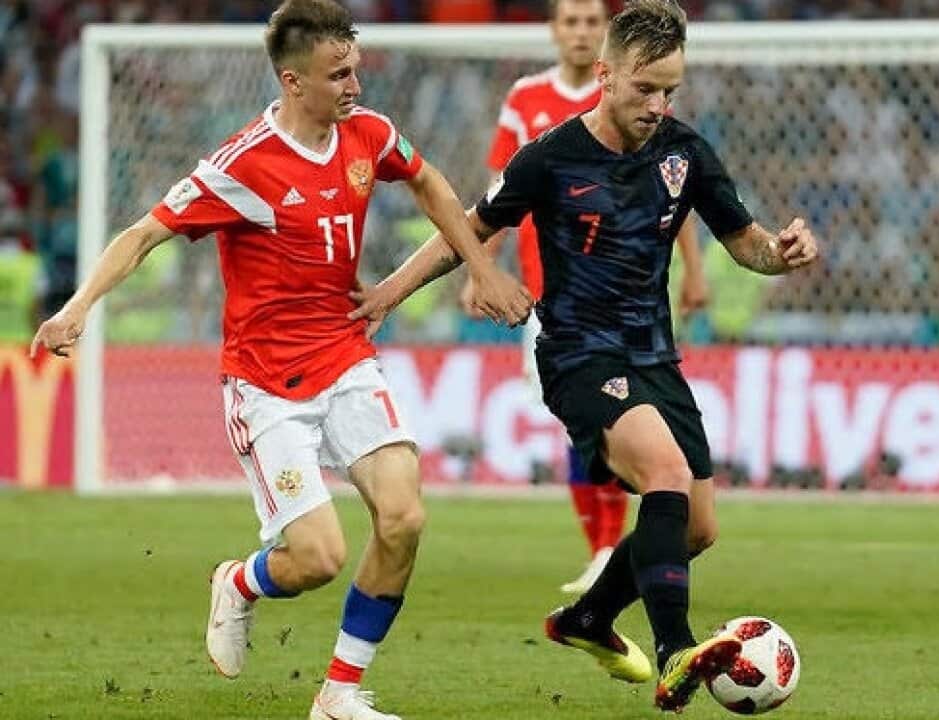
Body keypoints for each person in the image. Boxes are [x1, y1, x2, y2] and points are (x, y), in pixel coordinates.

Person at [29, 2, 531, 718]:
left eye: (356, 68)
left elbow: (431, 184)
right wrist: (76, 308)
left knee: (404, 518)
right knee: (317, 560)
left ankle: (339, 695)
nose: (355, 85)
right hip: (268, 387)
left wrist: (479, 267)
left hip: (346, 355)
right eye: (338, 74)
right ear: (293, 81)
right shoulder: (242, 165)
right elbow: (143, 234)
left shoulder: (370, 134)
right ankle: (240, 582)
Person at [351, 1, 817, 710]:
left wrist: (781, 257)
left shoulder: (684, 154)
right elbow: (465, 230)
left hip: (654, 355)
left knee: (695, 528)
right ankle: (673, 653)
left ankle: (589, 619)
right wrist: (389, 290)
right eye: (645, 89)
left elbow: (744, 241)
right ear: (606, 75)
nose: (659, 105)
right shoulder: (549, 156)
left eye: (671, 91)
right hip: (575, 352)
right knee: (663, 472)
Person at [466, 0, 710, 596]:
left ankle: (614, 546)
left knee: (625, 430)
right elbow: (499, 191)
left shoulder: (639, 99)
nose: (579, 32)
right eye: (569, 22)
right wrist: (482, 268)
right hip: (552, 297)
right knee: (589, 422)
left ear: (606, 38)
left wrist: (694, 267)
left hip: (630, 307)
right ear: (554, 31)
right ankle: (604, 546)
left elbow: (672, 194)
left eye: (589, 22)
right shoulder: (527, 100)